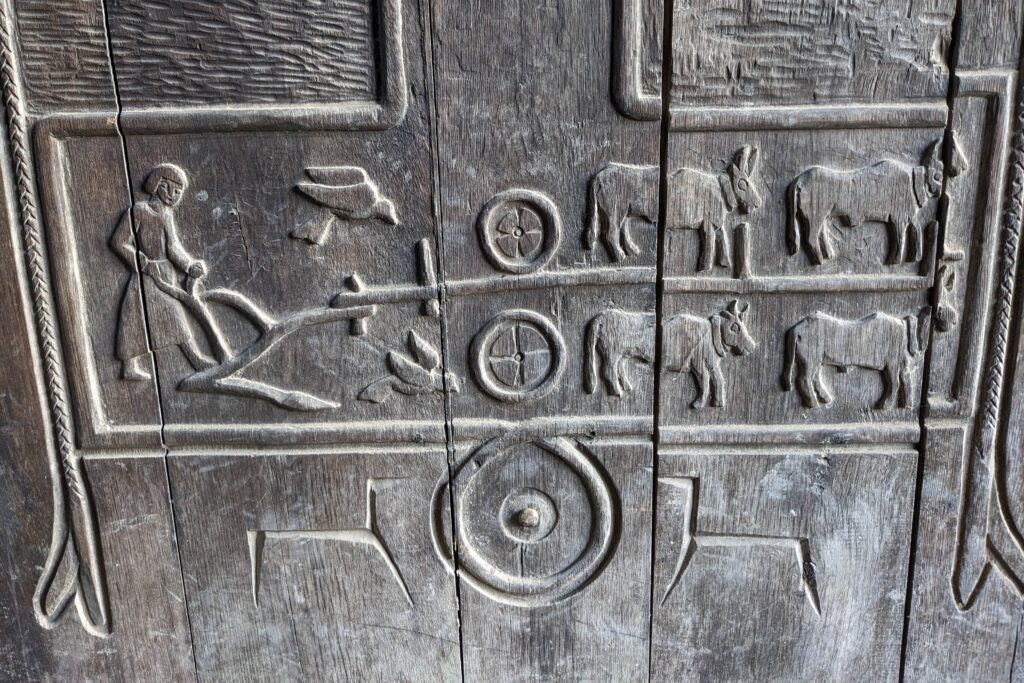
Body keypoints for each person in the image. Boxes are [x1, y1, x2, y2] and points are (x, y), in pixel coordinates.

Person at [111, 163, 225, 380]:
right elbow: (119, 242)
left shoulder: (166, 215)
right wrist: (142, 261)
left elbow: (173, 247)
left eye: (178, 192)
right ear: (158, 186)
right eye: (170, 189)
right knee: (136, 319)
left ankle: (195, 358)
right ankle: (129, 366)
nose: (174, 196)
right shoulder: (138, 212)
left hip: (165, 273)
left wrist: (189, 265)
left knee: (174, 315)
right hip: (146, 275)